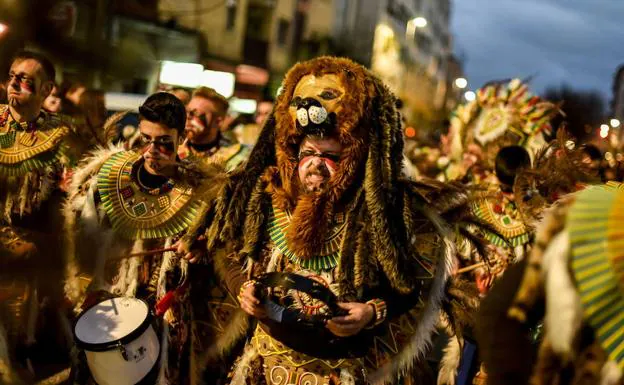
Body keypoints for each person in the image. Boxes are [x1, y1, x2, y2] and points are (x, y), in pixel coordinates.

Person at [178, 56, 485, 385]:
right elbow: (230, 251)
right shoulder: (266, 199)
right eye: (308, 153)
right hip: (262, 365)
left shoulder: (381, 216)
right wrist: (244, 289)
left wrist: (370, 311)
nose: (315, 164)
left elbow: (408, 287)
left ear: (356, 160)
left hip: (337, 373)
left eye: (330, 156)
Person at [63, 92, 220, 384]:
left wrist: (201, 251)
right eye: (146, 139)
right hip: (107, 315)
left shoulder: (201, 194)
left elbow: (214, 261)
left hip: (163, 320)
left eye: (163, 143)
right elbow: (80, 245)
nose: (151, 151)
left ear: (181, 138)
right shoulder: (107, 179)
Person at [0, 50, 81, 383]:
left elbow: (74, 205)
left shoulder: (63, 137)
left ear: (47, 90)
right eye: (12, 75)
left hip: (33, 267)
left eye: (26, 79)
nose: (14, 83)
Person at [178, 86, 249, 170]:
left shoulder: (236, 156)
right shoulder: (175, 150)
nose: (188, 117)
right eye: (187, 111)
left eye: (196, 113)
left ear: (218, 122)